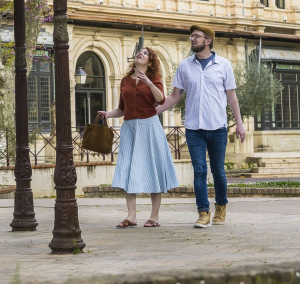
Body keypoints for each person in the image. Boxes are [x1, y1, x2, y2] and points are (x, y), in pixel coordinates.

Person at [156, 25, 246, 229]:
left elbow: (232, 97)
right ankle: (203, 212)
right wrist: (153, 112)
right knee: (199, 171)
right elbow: (174, 96)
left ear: (208, 41)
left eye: (196, 36)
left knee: (218, 171)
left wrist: (239, 123)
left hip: (218, 128)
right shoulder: (184, 66)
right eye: (191, 36)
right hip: (194, 128)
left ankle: (221, 206)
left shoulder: (224, 65)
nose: (192, 39)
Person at [98, 47, 179, 228]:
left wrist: (149, 82)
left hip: (149, 127)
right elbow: (122, 108)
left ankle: (154, 216)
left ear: (150, 62)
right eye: (139, 52)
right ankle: (131, 216)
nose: (140, 54)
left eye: (144, 53)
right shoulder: (125, 80)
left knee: (154, 168)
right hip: (130, 128)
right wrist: (109, 114)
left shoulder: (155, 79)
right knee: (127, 168)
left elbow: (161, 100)